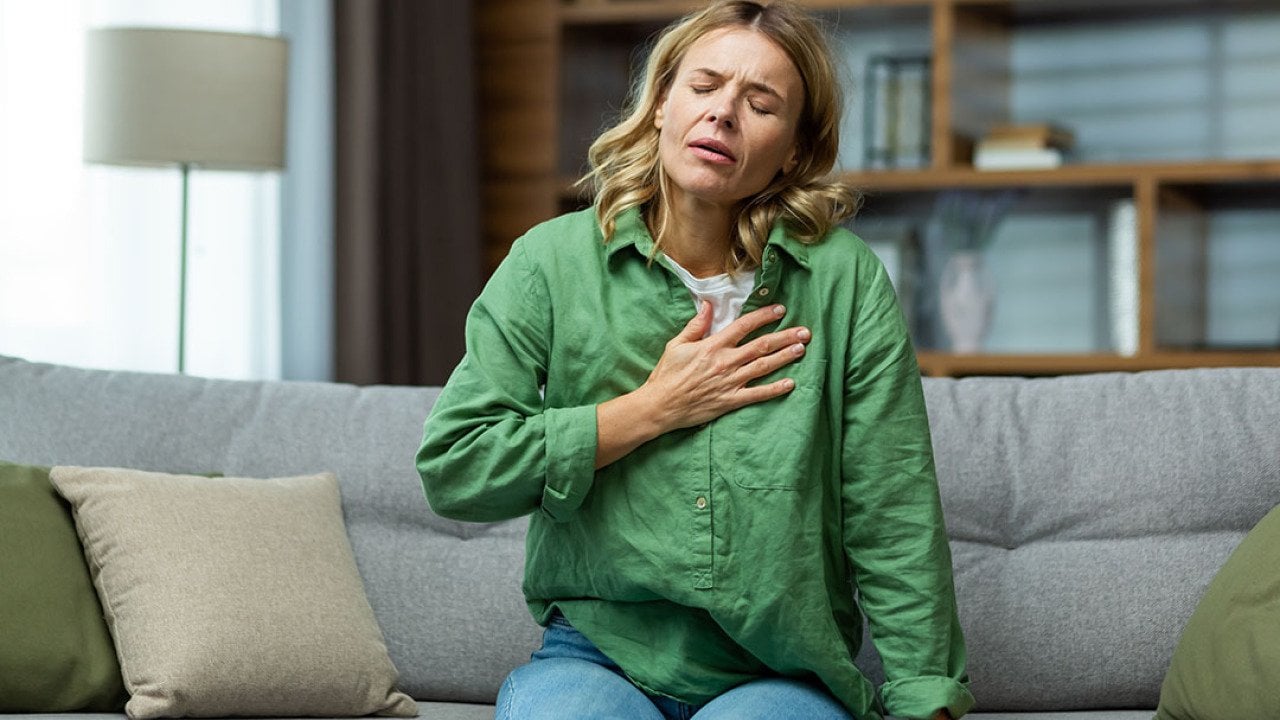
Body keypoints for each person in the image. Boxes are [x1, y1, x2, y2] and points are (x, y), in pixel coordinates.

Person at [417, 1, 973, 718]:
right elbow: (456, 468)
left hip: (777, 668)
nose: (723, 114)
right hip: (599, 654)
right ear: (660, 106)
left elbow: (891, 510)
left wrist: (927, 699)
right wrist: (649, 410)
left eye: (760, 102)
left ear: (796, 151)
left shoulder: (845, 280)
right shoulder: (550, 264)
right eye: (704, 86)